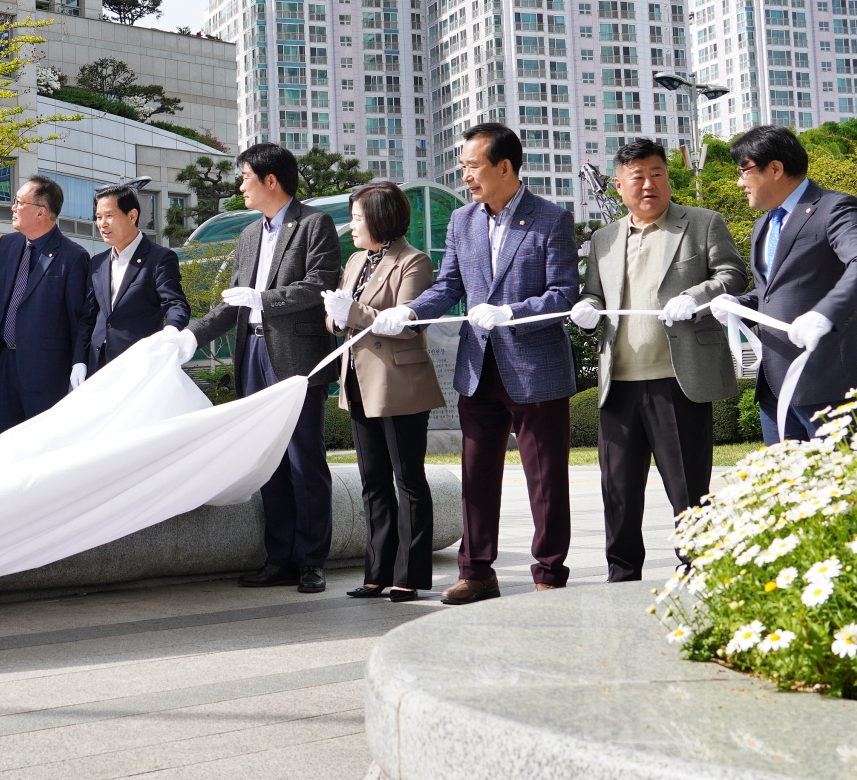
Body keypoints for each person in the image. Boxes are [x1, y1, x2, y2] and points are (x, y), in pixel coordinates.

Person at [372, 121, 577, 602]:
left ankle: (549, 572)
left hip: (535, 367)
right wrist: (408, 311)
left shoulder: (551, 219)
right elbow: (447, 286)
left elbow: (565, 293)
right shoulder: (463, 221)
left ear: (503, 166)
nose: (465, 175)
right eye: (463, 166)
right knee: (476, 476)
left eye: (471, 165)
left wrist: (512, 313)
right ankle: (477, 571)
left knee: (545, 479)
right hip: (478, 367)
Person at [568, 139, 748, 582]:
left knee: (688, 489)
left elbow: (733, 275)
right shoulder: (604, 239)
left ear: (667, 177)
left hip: (678, 381)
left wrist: (696, 295)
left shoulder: (703, 223)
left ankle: (698, 569)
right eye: (638, 176)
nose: (649, 184)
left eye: (657, 173)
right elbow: (594, 293)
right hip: (618, 384)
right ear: (619, 184)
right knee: (619, 492)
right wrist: (586, 309)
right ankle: (622, 574)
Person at [178, 143, 342, 593]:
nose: (240, 186)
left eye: (245, 177)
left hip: (294, 357)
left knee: (304, 459)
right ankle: (279, 558)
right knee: (267, 460)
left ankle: (311, 561)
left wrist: (265, 300)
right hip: (252, 354)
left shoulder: (314, 224)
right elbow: (233, 302)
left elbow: (319, 285)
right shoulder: (249, 235)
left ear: (271, 181)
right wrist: (191, 336)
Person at [709, 125, 857, 442]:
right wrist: (739, 305)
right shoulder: (764, 223)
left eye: (744, 171)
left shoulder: (834, 208)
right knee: (788, 488)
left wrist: (825, 314)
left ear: (775, 168)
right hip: (775, 387)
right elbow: (773, 293)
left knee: (843, 485)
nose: (739, 183)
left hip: (829, 380)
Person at [321, 181, 444, 603]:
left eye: (357, 217)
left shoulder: (414, 262)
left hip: (399, 384)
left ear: (380, 218)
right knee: (372, 481)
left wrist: (348, 311)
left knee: (407, 479)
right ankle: (376, 573)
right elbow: (342, 320)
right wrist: (335, 317)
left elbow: (405, 322)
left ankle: (408, 575)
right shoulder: (356, 260)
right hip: (357, 381)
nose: (351, 225)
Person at [0, 175, 95, 432]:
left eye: (19, 202)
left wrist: (79, 361)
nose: (13, 207)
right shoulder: (7, 245)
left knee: (44, 449)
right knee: (8, 445)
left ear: (41, 212)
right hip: (5, 365)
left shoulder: (73, 257)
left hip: (47, 373)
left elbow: (80, 318)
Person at [85, 185, 190, 374]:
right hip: (97, 365)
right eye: (98, 217)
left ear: (132, 216)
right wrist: (79, 361)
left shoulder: (159, 258)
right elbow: (89, 317)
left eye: (109, 216)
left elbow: (176, 303)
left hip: (138, 363)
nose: (102, 224)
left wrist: (172, 331)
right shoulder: (97, 262)